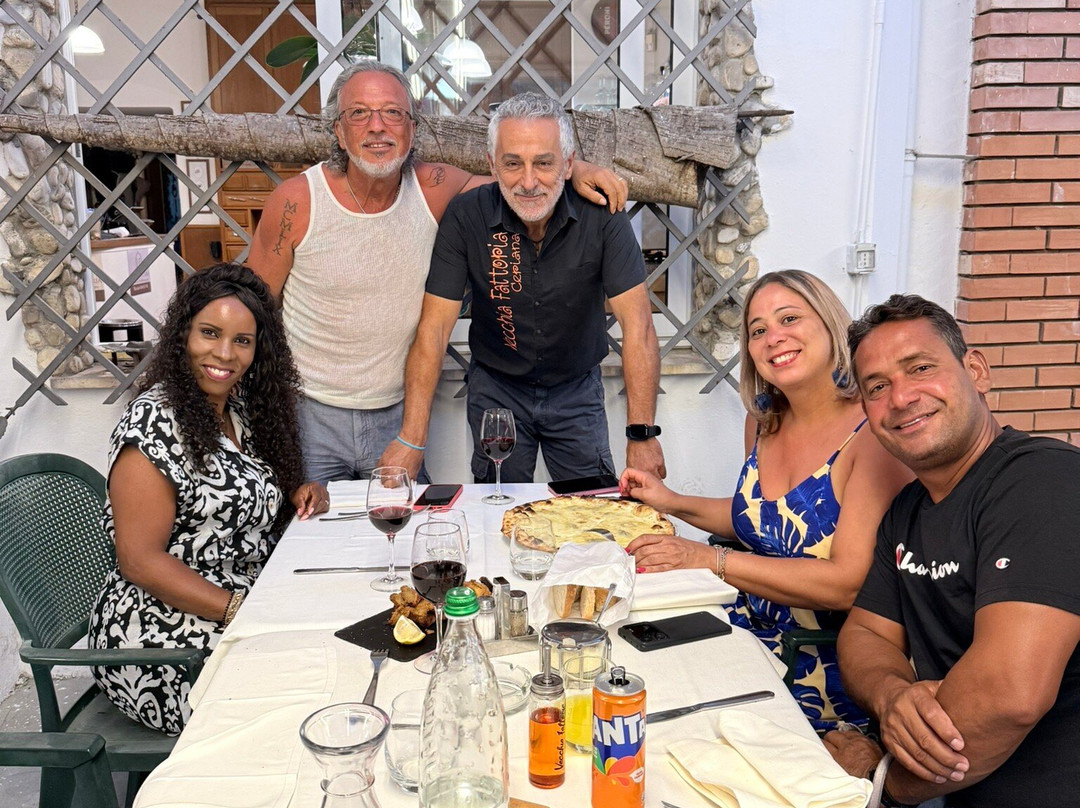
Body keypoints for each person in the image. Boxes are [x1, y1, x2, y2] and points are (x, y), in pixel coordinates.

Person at [248, 63, 628, 484]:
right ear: (338, 131)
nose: (377, 126)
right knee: (313, 523)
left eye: (392, 113)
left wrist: (578, 169)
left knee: (408, 521)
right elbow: (252, 310)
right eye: (358, 113)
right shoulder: (297, 203)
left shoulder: (433, 189)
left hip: (396, 411)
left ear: (412, 129)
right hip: (311, 413)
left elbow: (521, 180)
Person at [621, 270, 911, 732]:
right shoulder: (764, 420)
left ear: (830, 325)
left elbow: (846, 583)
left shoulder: (871, 435)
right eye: (758, 330)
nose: (774, 338)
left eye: (789, 319)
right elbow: (762, 520)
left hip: (818, 664)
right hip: (742, 627)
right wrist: (669, 501)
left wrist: (707, 559)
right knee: (620, 671)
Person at [824, 294, 1080, 808]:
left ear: (976, 371)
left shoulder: (1044, 480)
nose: (901, 398)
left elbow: (1011, 695)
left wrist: (881, 784)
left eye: (920, 368)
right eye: (877, 387)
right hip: (953, 787)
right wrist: (892, 694)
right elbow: (864, 634)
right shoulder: (908, 510)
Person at [88, 264, 329, 735]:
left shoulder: (237, 409)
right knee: (305, 689)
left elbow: (239, 497)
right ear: (183, 334)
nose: (224, 353)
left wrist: (300, 491)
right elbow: (139, 561)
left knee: (333, 643)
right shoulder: (153, 425)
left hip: (237, 605)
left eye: (242, 341)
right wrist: (243, 610)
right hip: (160, 637)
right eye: (210, 333)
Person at [381, 92, 664, 485]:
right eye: (512, 163)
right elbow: (434, 330)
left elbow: (639, 328)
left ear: (568, 165)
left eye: (544, 163)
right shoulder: (466, 216)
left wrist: (642, 434)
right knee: (497, 503)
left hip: (576, 390)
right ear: (492, 165)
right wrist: (412, 439)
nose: (529, 182)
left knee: (591, 505)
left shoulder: (602, 216)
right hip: (497, 389)